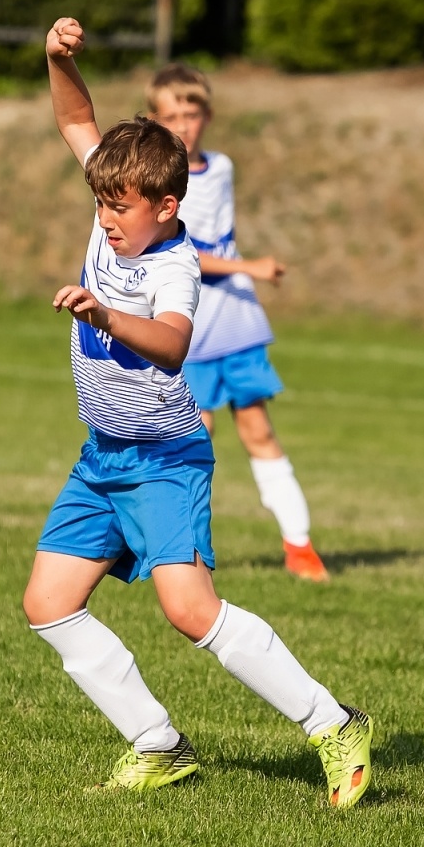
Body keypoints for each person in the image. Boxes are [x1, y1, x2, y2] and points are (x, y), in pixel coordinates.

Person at [21, 16, 373, 805]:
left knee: (190, 611)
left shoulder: (174, 265)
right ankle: (159, 744)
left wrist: (106, 317)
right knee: (48, 603)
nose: (106, 217)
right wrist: (55, 59)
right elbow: (76, 119)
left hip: (164, 459)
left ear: (167, 205)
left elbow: (175, 345)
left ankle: (334, 721)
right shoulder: (115, 207)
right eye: (101, 202)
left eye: (121, 207)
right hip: (103, 455)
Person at [149, 63, 329, 582]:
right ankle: (187, 554)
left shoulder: (221, 168)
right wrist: (249, 266)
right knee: (193, 443)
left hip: (239, 326)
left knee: (258, 432)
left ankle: (300, 545)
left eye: (193, 112)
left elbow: (218, 240)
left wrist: (243, 272)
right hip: (190, 331)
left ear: (207, 114)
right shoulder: (157, 182)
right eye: (172, 115)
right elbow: (182, 254)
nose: (185, 123)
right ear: (156, 120)